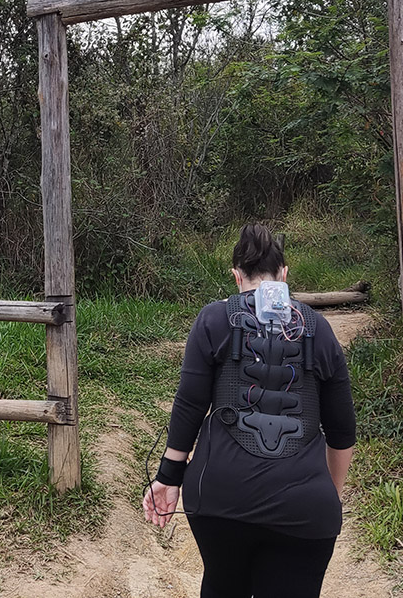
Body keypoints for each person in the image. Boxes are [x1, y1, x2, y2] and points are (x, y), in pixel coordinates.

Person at [142, 223, 356, 598]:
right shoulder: (319, 329)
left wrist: (167, 478)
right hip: (304, 507)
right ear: (285, 274)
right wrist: (328, 496)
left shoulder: (212, 320)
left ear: (236, 276)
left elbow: (189, 405)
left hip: (219, 500)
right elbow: (342, 431)